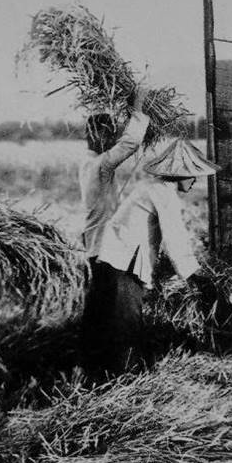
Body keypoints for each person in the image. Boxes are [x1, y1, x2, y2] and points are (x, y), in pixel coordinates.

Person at [88, 138, 220, 372]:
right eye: (192, 174)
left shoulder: (152, 186)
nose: (194, 181)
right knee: (125, 326)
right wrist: (196, 278)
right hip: (123, 265)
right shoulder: (163, 193)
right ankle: (123, 380)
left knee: (111, 325)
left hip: (114, 260)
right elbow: (175, 238)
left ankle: (105, 374)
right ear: (179, 174)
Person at [78, 93, 150, 364]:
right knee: (116, 315)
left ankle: (91, 368)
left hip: (96, 248)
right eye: (110, 135)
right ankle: (118, 368)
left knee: (99, 313)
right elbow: (130, 143)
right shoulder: (99, 166)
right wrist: (139, 111)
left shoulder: (86, 163)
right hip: (107, 251)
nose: (113, 141)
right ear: (98, 136)